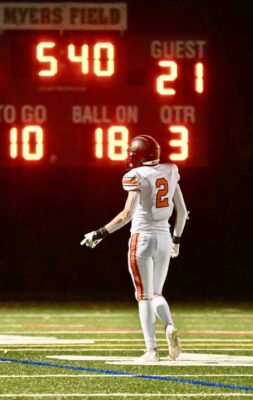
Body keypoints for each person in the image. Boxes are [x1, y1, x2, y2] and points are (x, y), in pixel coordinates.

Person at [81, 135, 188, 362]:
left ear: (138, 155)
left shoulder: (136, 175)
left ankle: (151, 350)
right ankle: (169, 326)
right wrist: (176, 241)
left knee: (144, 297)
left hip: (143, 238)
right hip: (165, 237)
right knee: (157, 293)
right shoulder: (170, 170)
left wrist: (100, 233)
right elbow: (183, 211)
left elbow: (126, 215)